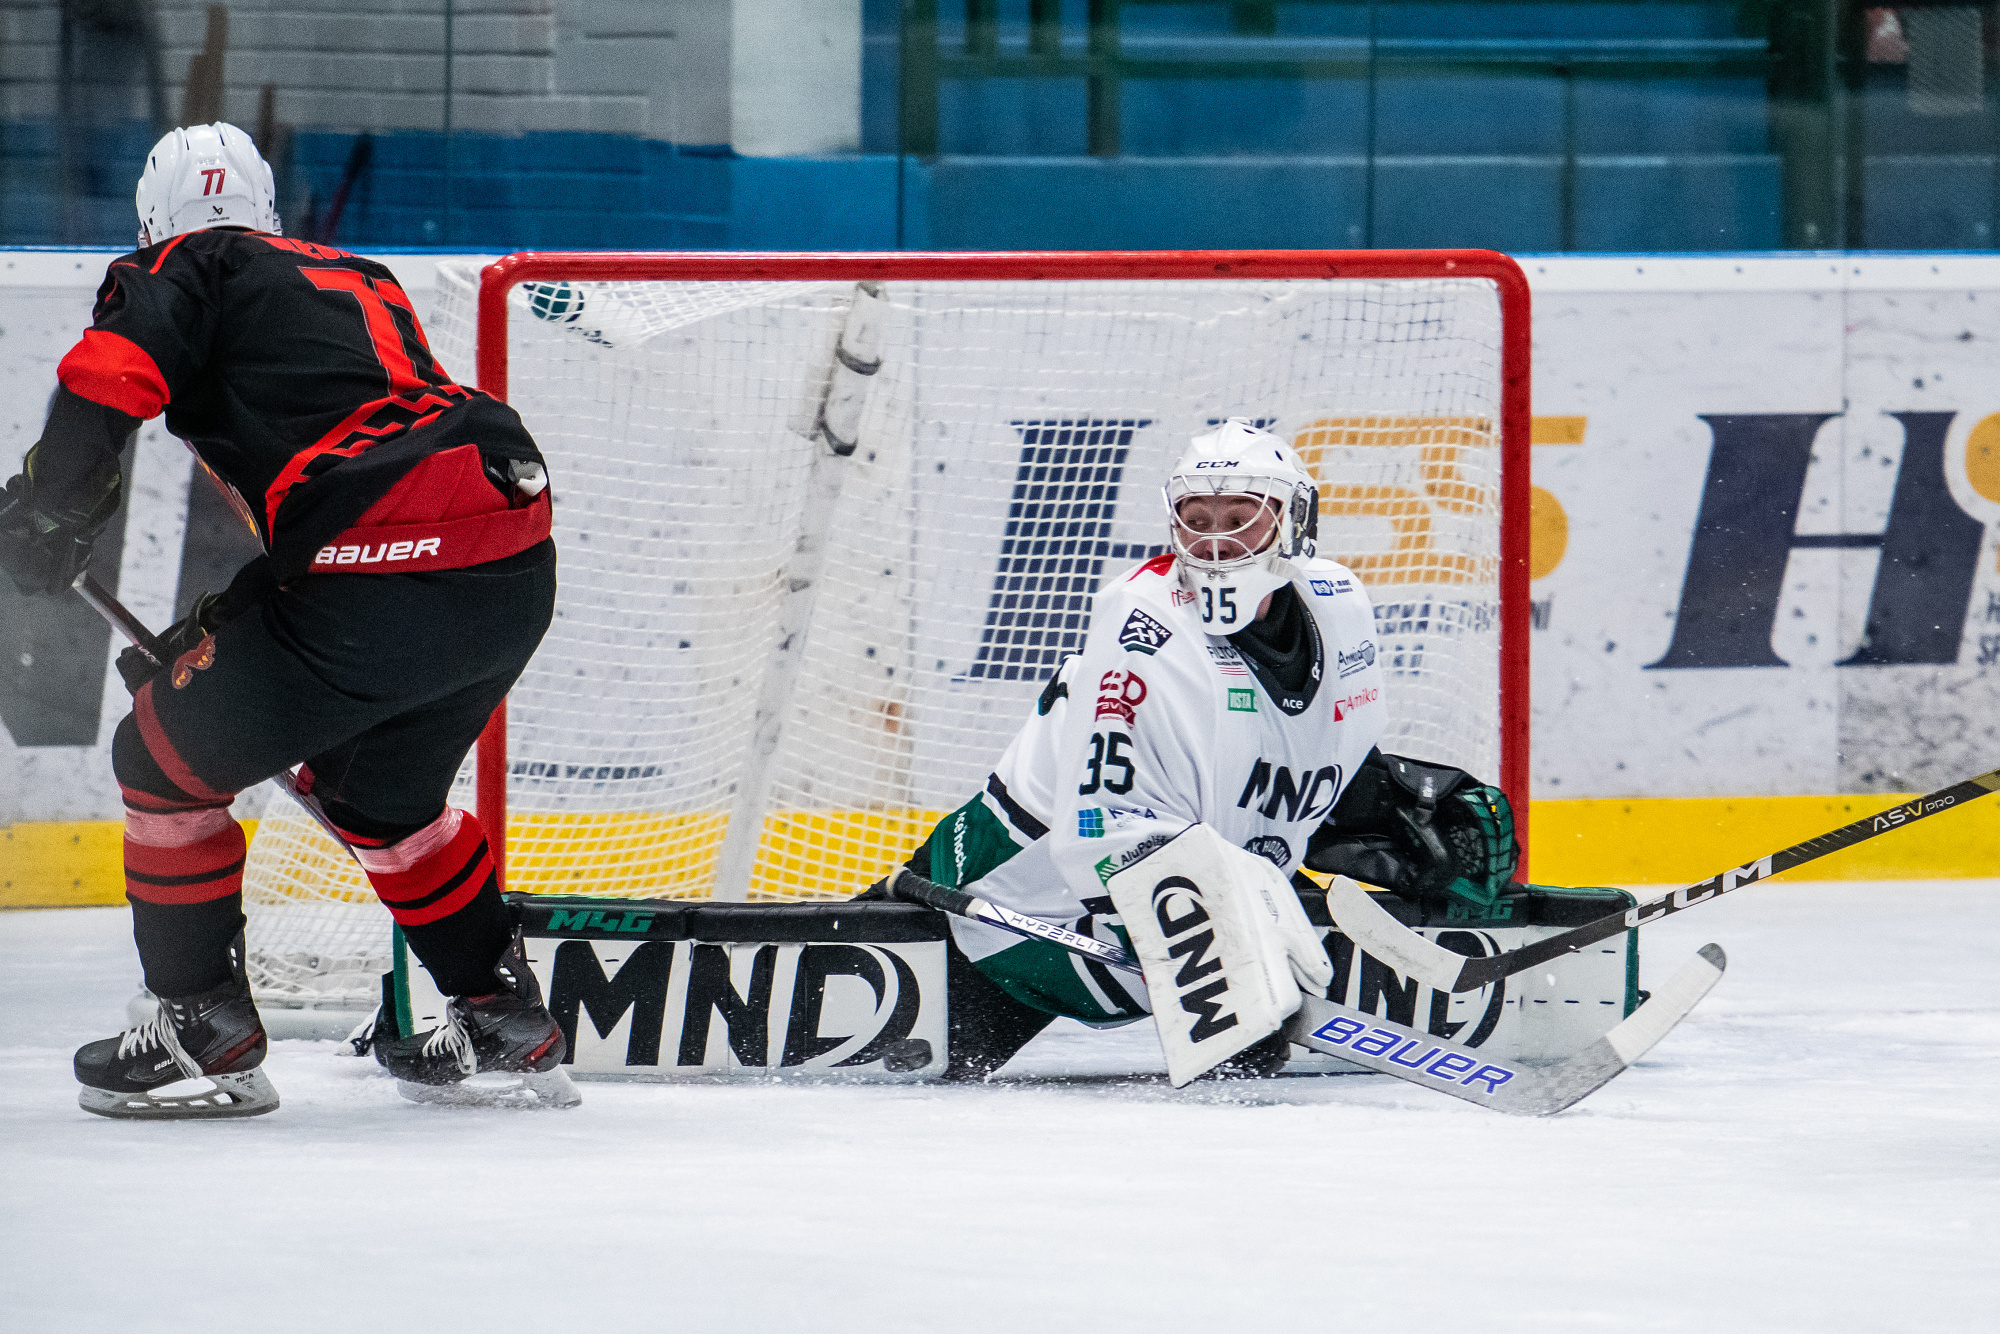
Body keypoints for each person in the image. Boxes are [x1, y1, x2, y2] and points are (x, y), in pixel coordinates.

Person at [0, 123, 570, 1118]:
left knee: (157, 761)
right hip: (509, 558)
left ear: (152, 222)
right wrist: (231, 623)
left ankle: (196, 1026)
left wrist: (51, 507)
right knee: (381, 800)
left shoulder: (177, 265)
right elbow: (363, 470)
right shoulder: (358, 273)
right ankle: (502, 1015)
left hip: (373, 569)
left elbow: (106, 380)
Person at [870, 419, 1524, 1080]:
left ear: (1293, 521)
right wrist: (1219, 961)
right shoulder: (1142, 623)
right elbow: (1100, 832)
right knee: (876, 1076)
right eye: (1197, 517)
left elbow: (1281, 753)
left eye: (1240, 516)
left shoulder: (1336, 602)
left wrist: (1378, 804)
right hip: (1018, 912)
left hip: (1162, 889)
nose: (1215, 539)